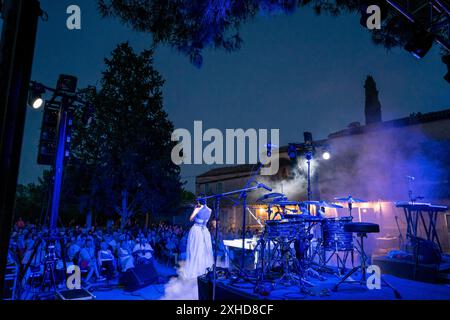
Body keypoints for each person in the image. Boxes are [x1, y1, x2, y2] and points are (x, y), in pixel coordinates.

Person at [183, 198, 214, 279]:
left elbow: (191, 219)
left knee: (195, 250)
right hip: (205, 231)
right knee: (204, 251)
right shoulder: (210, 210)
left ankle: (195, 271)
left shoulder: (197, 208)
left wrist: (195, 210)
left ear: (198, 202)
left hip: (197, 231)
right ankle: (204, 270)